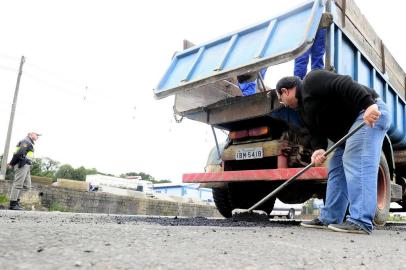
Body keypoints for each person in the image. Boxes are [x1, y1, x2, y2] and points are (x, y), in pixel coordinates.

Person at [275, 70, 390, 234]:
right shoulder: (303, 110)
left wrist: (368, 104)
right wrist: (318, 149)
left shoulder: (312, 81)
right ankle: (330, 217)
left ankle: (361, 220)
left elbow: (345, 83)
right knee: (336, 168)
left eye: (282, 99)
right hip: (346, 132)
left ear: (285, 91)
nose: (284, 104)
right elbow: (315, 132)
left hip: (367, 113)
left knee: (355, 159)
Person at [8, 132, 41, 210]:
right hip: (22, 165)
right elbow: (19, 153)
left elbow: (21, 153)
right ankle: (13, 204)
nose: (38, 137)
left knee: (27, 186)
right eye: (37, 135)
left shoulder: (28, 142)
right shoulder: (26, 141)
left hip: (26, 166)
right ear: (30, 134)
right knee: (18, 184)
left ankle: (16, 202)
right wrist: (12, 163)